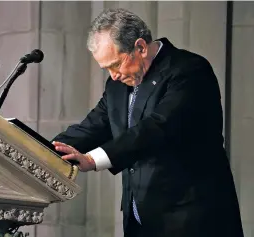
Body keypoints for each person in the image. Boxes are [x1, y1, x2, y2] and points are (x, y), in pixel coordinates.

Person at [51, 8, 243, 237]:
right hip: (141, 222)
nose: (113, 75)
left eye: (116, 65)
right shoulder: (117, 85)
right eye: (106, 69)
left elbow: (158, 127)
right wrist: (42, 149)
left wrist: (92, 160)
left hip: (192, 219)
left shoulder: (189, 70)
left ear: (140, 47)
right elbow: (93, 126)